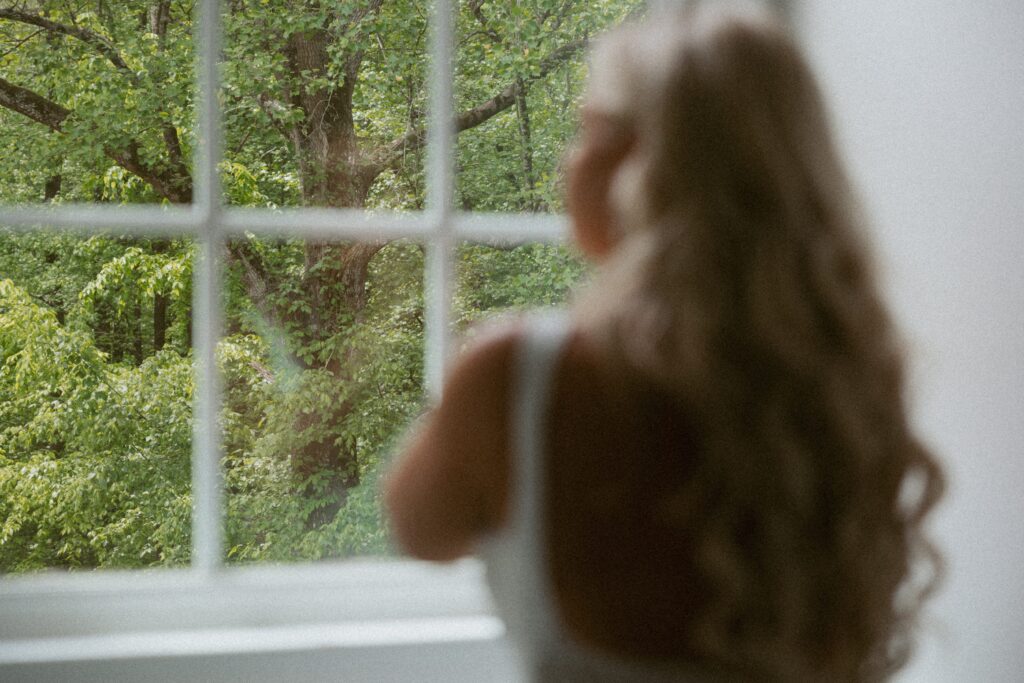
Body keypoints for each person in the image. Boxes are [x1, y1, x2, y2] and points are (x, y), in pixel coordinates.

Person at [384, 2, 944, 681]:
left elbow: (420, 528)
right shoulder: (842, 385)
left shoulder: (520, 374)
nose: (569, 158)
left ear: (650, 166)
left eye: (589, 131)